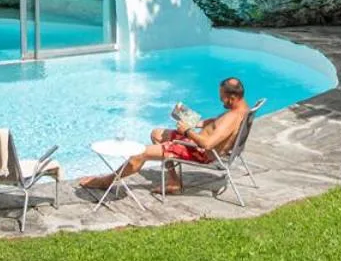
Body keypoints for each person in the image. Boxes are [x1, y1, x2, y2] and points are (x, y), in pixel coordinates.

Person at [81, 76, 251, 194]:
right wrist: (189, 118)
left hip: (199, 152)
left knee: (140, 153)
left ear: (232, 97)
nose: (221, 100)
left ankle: (106, 181)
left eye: (222, 97)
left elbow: (207, 144)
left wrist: (187, 131)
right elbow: (214, 124)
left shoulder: (231, 118)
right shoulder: (242, 109)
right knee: (157, 134)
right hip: (197, 144)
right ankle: (173, 181)